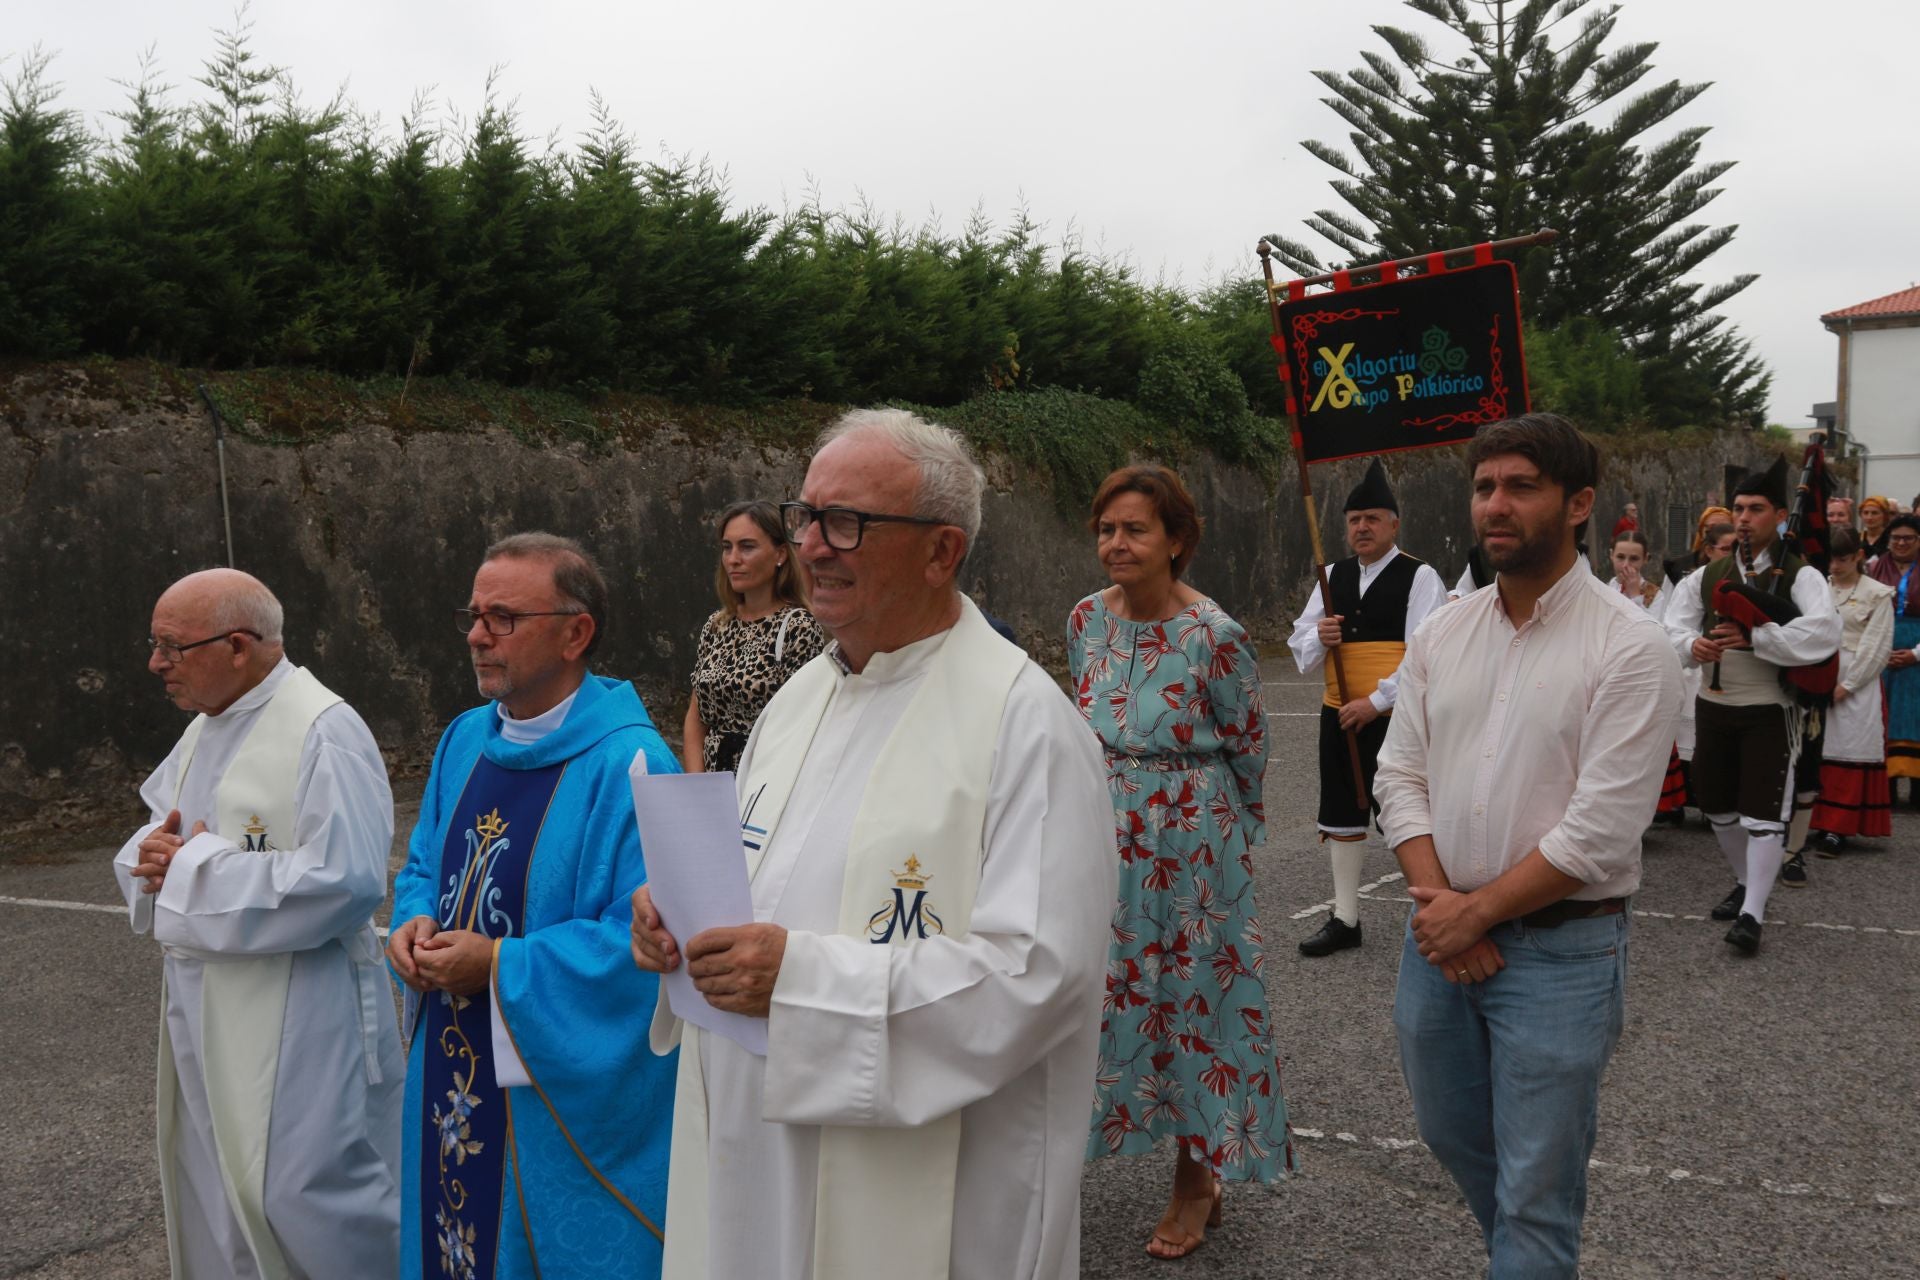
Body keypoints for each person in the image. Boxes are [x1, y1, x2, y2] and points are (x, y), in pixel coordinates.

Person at [631, 409, 1114, 1280]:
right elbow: (763, 877)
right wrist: (679, 919)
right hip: (751, 1148)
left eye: (848, 522)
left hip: (924, 1175)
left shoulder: (1025, 725)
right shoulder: (797, 700)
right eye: (807, 516)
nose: (813, 545)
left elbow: (1041, 976)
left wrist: (801, 982)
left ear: (941, 551)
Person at [1375, 413, 1681, 1279]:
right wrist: (1448, 911)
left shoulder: (1631, 644)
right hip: (1439, 943)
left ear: (1579, 503)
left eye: (1520, 487)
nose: (1495, 505)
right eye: (1484, 487)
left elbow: (1601, 830)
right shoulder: (1444, 632)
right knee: (1452, 1137)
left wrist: (1473, 914)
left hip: (1562, 953)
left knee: (1537, 1192)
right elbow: (1399, 776)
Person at [387, 532, 680, 1279]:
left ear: (576, 634)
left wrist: (499, 964)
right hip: (451, 1058)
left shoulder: (632, 764)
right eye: (474, 615)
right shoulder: (465, 739)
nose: (478, 635)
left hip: (543, 1093)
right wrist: (411, 921)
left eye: (504, 618)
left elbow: (646, 944)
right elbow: (423, 863)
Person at [112, 568, 403, 1280]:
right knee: (220, 1186)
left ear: (238, 646)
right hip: (204, 1001)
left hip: (302, 1008)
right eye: (155, 644)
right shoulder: (205, 727)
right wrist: (152, 856)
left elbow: (349, 879)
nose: (156, 663)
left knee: (301, 1197)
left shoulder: (323, 730)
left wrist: (191, 868)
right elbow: (162, 832)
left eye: (172, 646)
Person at [1071, 463, 1296, 1258]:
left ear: (1176, 540)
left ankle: (1198, 1180)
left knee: (1200, 1005)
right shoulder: (1085, 620)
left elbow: (1248, 746)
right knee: (1106, 996)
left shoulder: (1216, 634)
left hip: (1195, 837)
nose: (1117, 543)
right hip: (1104, 826)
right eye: (1107, 529)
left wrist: (1227, 842)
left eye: (1135, 529)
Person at [1664, 457, 1841, 953]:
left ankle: (1753, 915)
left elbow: (1823, 634)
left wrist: (1758, 638)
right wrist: (1691, 645)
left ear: (1780, 516)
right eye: (1738, 508)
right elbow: (1670, 626)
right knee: (1718, 807)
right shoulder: (1707, 575)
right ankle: (1746, 883)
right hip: (1713, 705)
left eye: (1756, 509)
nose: (1743, 518)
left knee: (1763, 814)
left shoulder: (1801, 576)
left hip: (1768, 708)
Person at [1288, 458, 1447, 956]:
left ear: (1394, 525)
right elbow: (1300, 649)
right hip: (1338, 713)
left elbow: (1426, 655)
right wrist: (1320, 634)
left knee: (1409, 811)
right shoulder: (1331, 575)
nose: (1362, 527)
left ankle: (1437, 913)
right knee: (1341, 811)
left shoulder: (1420, 577)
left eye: (1372, 518)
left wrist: (1376, 702)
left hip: (1398, 719)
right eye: (1354, 520)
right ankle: (1345, 918)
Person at [685, 500, 827, 773]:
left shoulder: (798, 628)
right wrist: (697, 784)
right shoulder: (717, 625)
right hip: (714, 782)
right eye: (727, 547)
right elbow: (696, 717)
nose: (733, 559)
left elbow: (802, 725)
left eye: (747, 547)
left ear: (780, 554)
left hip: (765, 777)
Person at [1809, 529, 1895, 854]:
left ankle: (1838, 827)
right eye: (1830, 559)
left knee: (1848, 749)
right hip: (1818, 676)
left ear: (1858, 556)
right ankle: (1813, 820)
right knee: (1816, 749)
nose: (1834, 566)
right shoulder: (1819, 587)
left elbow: (1877, 645)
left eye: (1842, 559)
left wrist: (1848, 685)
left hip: (1856, 682)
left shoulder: (1877, 594)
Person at [1870, 514, 1920, 797]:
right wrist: (1878, 652)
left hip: (1916, 657)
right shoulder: (1873, 568)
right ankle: (1883, 788)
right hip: (1882, 655)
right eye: (1896, 538)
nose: (1901, 543)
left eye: (1908, 538)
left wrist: (1915, 653)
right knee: (1882, 717)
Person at [1608, 530, 1664, 611]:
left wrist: (1635, 596)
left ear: (1645, 559)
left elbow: (1651, 620)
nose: (1626, 565)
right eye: (1620, 557)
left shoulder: (1656, 596)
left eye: (1634, 559)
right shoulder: (1601, 590)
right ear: (1611, 555)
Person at [1859, 495, 1893, 563]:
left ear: (1885, 516)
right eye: (1865, 513)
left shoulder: (1892, 539)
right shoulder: (1856, 538)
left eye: (1874, 513)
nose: (1869, 517)